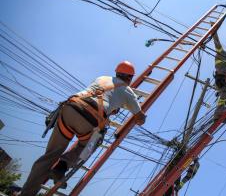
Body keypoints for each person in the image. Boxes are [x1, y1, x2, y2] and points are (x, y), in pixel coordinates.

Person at [20, 61, 146, 196]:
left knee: (49, 156)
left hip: (71, 108)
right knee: (93, 143)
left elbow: (103, 95)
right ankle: (62, 166)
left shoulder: (102, 78)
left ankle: (26, 193)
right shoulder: (128, 91)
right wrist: (138, 111)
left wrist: (113, 107)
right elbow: (140, 119)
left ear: (116, 73)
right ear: (130, 77)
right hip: (90, 119)